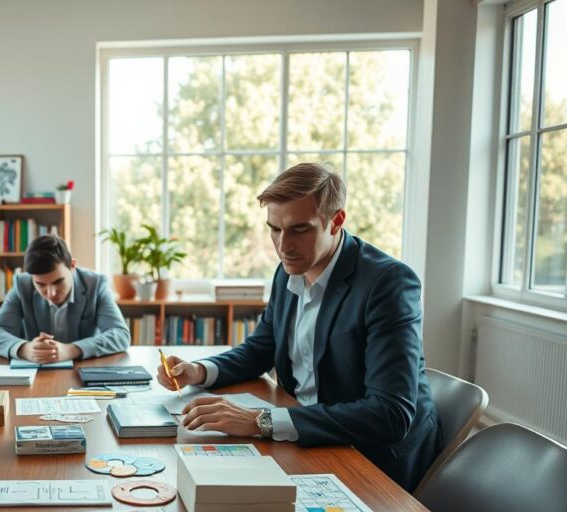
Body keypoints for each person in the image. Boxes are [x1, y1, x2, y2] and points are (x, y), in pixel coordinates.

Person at [158, 163, 442, 492]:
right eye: (274, 229)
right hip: (306, 434)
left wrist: (259, 422)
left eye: (300, 229)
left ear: (336, 221)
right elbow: (260, 348)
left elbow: (390, 414)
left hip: (372, 461)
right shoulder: (289, 270)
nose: (283, 246)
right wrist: (198, 371)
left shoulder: (388, 284)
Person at [0, 234, 130, 363]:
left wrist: (71, 350)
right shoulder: (22, 285)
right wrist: (24, 349)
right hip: (36, 376)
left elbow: (121, 335)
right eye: (40, 284)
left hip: (83, 371)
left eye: (58, 282)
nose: (51, 293)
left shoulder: (97, 284)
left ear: (72, 265)